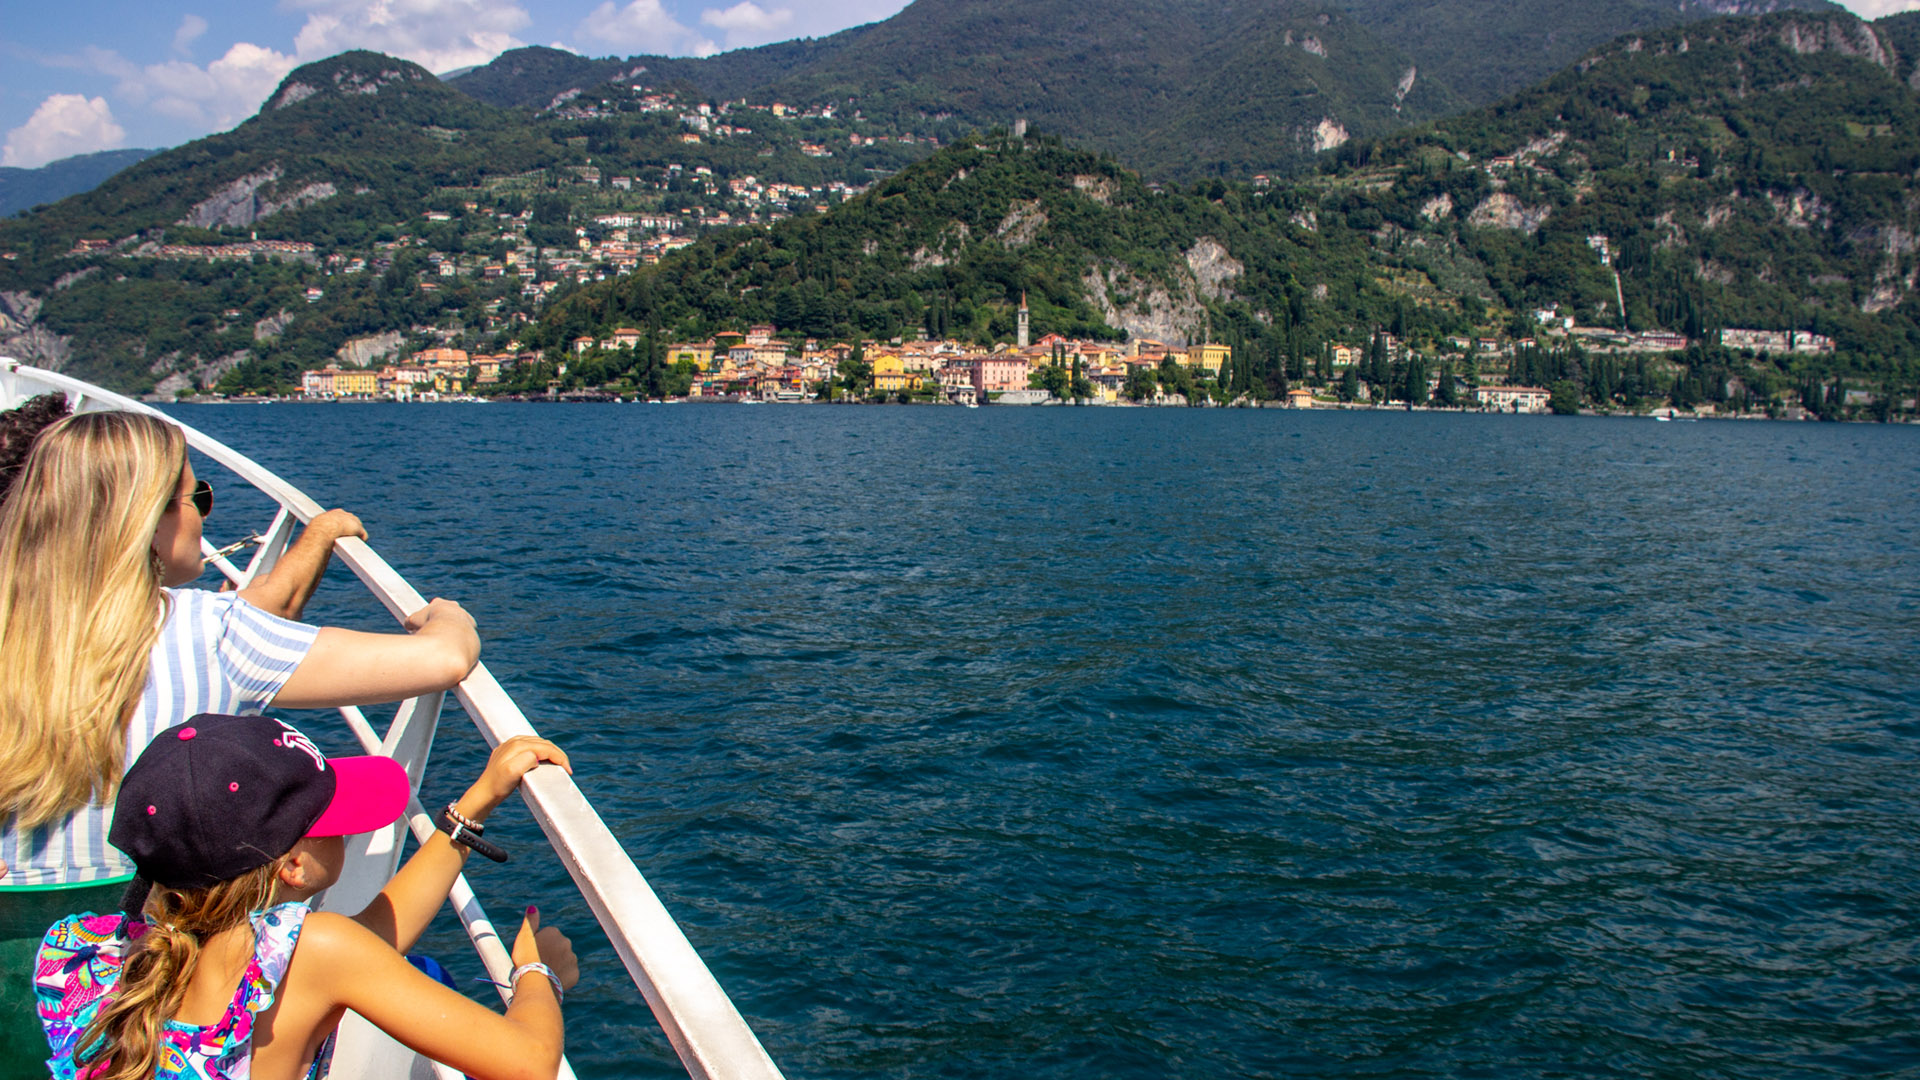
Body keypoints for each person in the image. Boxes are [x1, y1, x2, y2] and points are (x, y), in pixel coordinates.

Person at [0, 411, 482, 1072]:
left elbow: (263, 612)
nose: (205, 516)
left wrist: (313, 540)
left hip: (25, 1024)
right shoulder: (210, 634)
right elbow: (447, 659)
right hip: (146, 1026)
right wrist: (443, 613)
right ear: (149, 520)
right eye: (197, 498)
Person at [36, 714, 577, 1080]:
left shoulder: (96, 954)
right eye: (331, 821)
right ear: (293, 865)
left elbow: (367, 943)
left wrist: (473, 807)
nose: (346, 832)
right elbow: (527, 1063)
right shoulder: (317, 953)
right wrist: (537, 972)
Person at [0, 392, 363, 624]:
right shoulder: (173, 632)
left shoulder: (24, 613)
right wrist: (323, 531)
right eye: (198, 497)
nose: (205, 511)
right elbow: (275, 608)